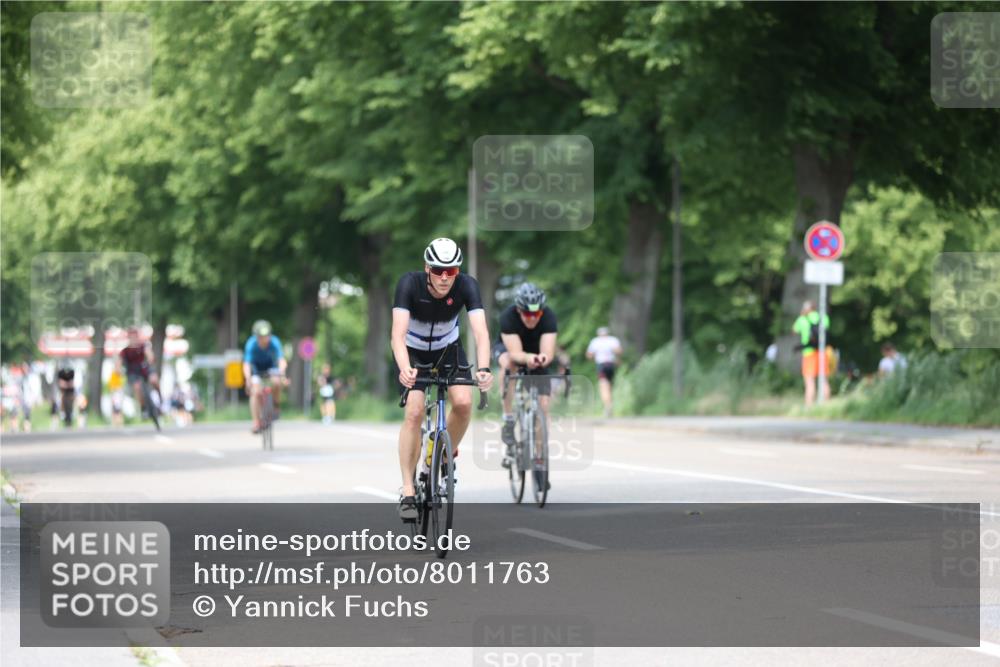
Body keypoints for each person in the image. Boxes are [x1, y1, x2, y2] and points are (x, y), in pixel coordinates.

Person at [392, 238, 493, 520]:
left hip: (447, 349)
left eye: (451, 271)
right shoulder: (408, 284)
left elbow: (481, 333)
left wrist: (483, 369)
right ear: (427, 268)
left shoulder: (467, 285)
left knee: (463, 402)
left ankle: (442, 453)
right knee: (413, 412)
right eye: (438, 270)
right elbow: (397, 335)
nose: (445, 277)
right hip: (413, 352)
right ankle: (409, 490)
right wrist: (404, 367)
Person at [492, 282, 558, 472]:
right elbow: (515, 354)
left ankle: (539, 457)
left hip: (536, 353)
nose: (532, 319)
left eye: (536, 314)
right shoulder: (508, 317)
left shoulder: (549, 317)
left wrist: (542, 358)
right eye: (527, 314)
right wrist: (528, 358)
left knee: (544, 406)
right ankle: (509, 417)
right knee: (509, 365)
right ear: (519, 310)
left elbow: (548, 352)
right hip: (510, 350)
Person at [243, 320, 288, 434]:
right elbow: (247, 364)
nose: (265, 339)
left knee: (276, 382)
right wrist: (248, 379)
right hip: (256, 370)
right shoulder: (251, 344)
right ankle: (256, 422)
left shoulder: (275, 342)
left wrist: (282, 372)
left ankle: (276, 406)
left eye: (267, 336)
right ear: (257, 337)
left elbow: (281, 360)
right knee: (255, 392)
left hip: (271, 368)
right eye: (261, 337)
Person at [792, 300, 833, 406]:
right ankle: (826, 406)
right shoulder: (823, 317)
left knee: (809, 381)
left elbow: (794, 330)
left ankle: (809, 406)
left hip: (809, 353)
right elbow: (827, 329)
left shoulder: (802, 319)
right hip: (822, 352)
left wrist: (802, 315)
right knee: (823, 380)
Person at [119, 326, 160, 420]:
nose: (133, 339)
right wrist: (118, 370)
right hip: (133, 372)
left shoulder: (143, 346)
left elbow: (149, 354)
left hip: (144, 369)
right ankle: (143, 408)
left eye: (135, 337)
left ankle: (160, 397)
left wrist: (150, 358)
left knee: (154, 379)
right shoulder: (125, 351)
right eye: (131, 337)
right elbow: (119, 363)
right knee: (137, 387)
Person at [586, 327, 622, 418]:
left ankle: (607, 406)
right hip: (611, 364)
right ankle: (609, 404)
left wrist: (595, 356)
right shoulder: (613, 340)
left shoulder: (595, 341)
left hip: (601, 365)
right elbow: (619, 351)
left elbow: (589, 355)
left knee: (603, 386)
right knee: (609, 385)